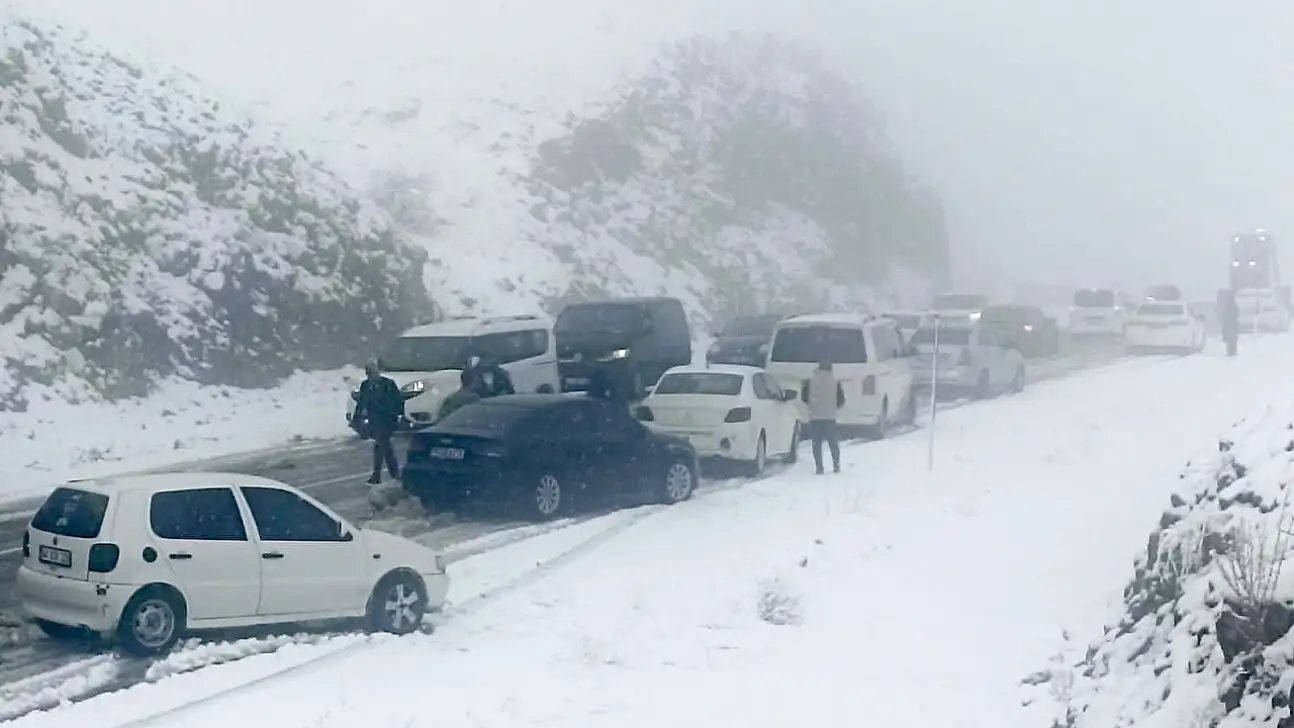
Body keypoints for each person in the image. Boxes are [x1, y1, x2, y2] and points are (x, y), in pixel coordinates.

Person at [351, 359, 404, 485]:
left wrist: (398, 415)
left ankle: (380, 475)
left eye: (373, 373)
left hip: (387, 419)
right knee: (384, 447)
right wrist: (356, 419)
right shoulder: (365, 386)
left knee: (381, 445)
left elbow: (398, 401)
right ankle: (392, 474)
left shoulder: (388, 384)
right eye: (369, 374)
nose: (371, 376)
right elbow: (362, 403)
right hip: (375, 420)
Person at [800, 357, 846, 475]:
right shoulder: (835, 382)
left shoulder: (810, 381)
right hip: (830, 417)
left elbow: (804, 397)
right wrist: (832, 407)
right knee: (833, 443)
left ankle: (819, 467)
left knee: (816, 444)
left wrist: (814, 404)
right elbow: (841, 400)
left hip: (815, 416)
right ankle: (836, 465)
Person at [1220, 289, 1240, 357]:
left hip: (1229, 325)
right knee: (1233, 340)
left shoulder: (1227, 308)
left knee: (1229, 340)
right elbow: (1237, 314)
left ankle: (1230, 351)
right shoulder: (1235, 307)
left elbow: (1225, 316)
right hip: (1233, 325)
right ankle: (1233, 351)